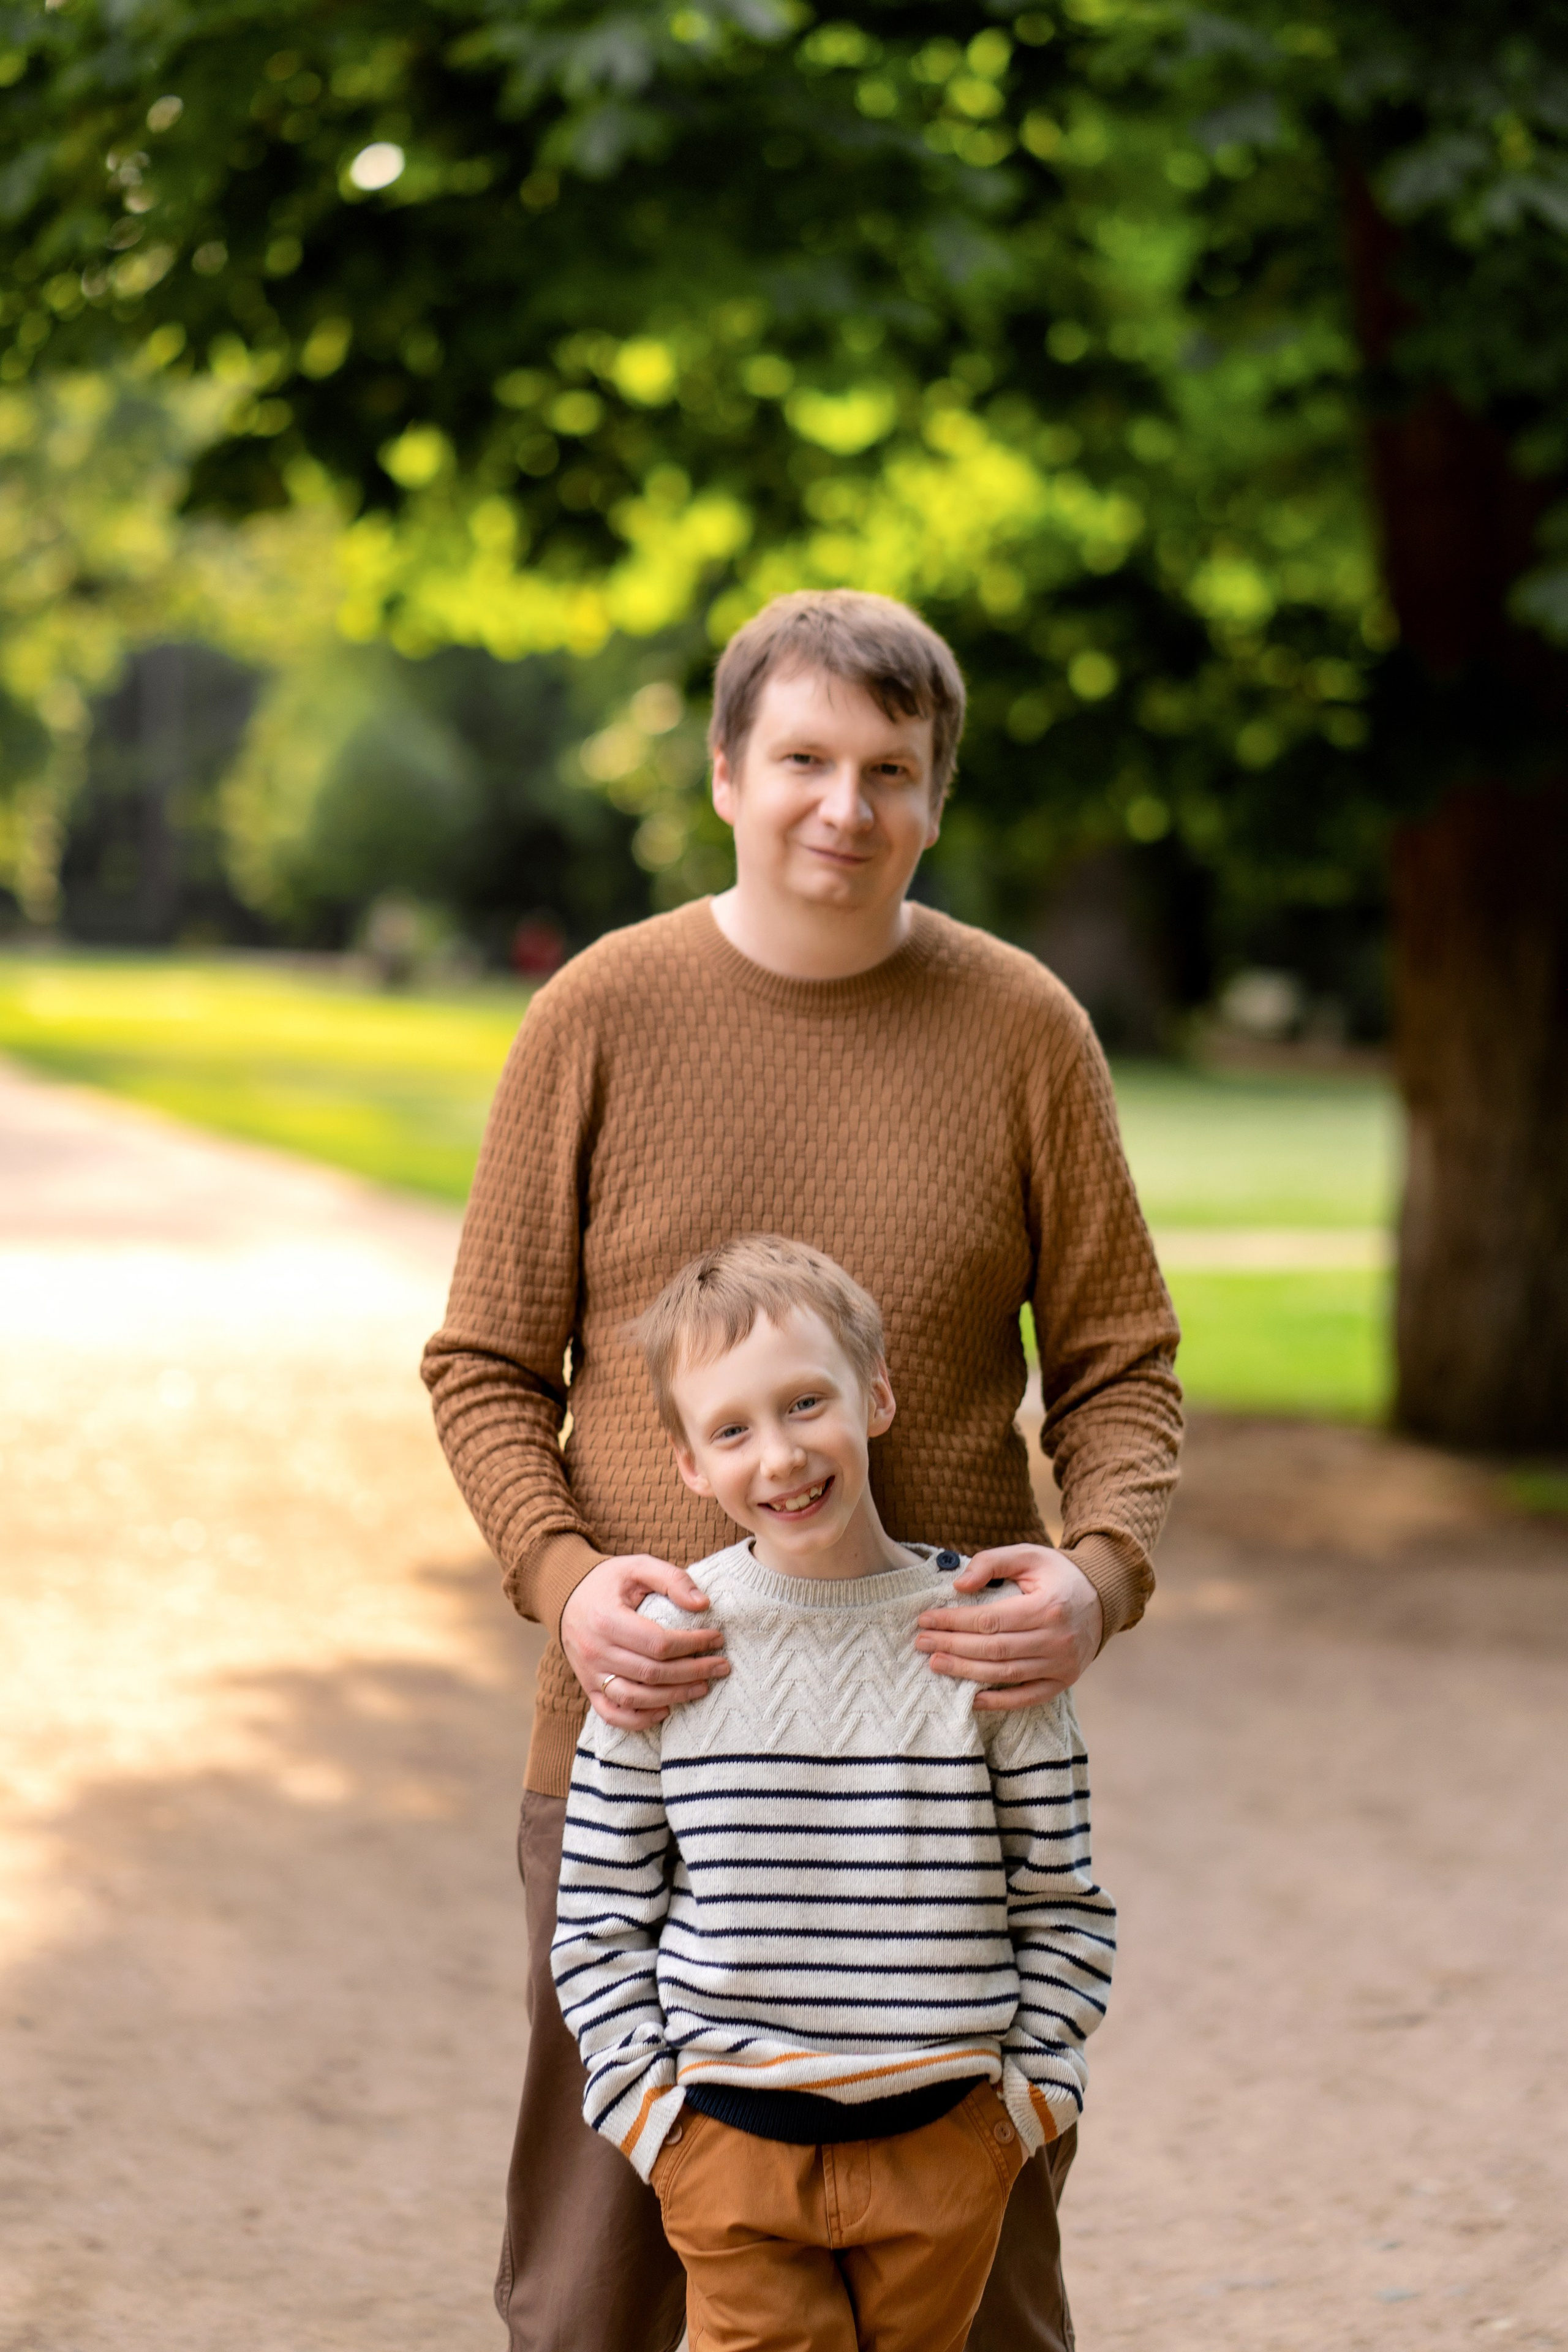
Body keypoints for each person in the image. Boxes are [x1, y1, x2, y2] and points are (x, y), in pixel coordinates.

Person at [421, 587, 1182, 2352]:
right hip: (654, 1731)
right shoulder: (599, 1016)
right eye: (806, 760)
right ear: (725, 774)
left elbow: (1121, 1367)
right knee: (608, 2278)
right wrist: (562, 1581)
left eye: (891, 771)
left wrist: (1098, 1571)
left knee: (967, 2294)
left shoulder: (1024, 1029)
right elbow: (480, 1365)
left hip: (944, 1759)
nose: (846, 806)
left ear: (935, 799)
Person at [552, 1235, 1117, 2352]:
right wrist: (656, 2124)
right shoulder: (668, 1650)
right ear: (689, 1466)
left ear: (879, 1396)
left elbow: (1061, 1897)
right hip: (728, 2148)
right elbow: (599, 1915)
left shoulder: (985, 1639)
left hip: (946, 2139)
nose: (780, 1455)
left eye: (807, 1403)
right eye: (732, 1429)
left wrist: (1019, 2114)